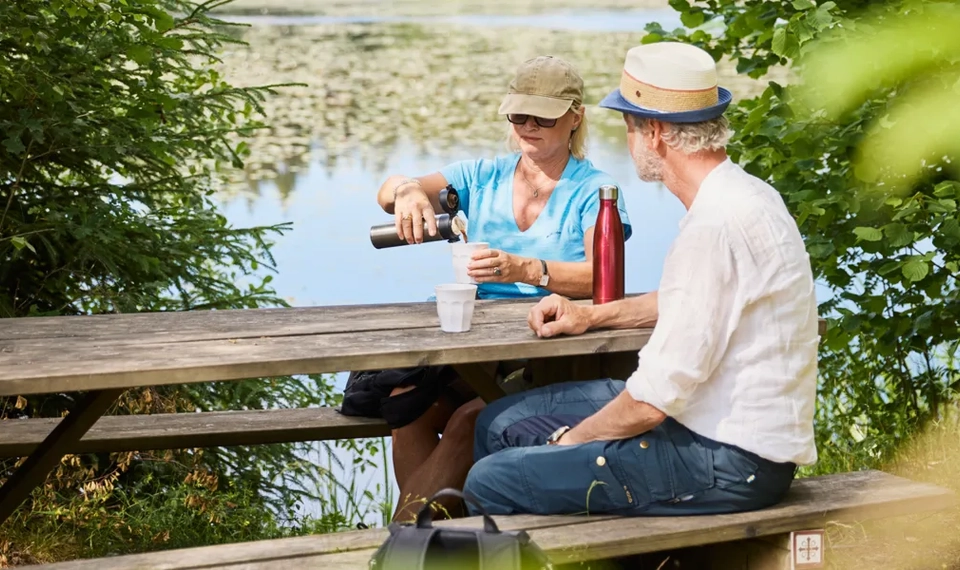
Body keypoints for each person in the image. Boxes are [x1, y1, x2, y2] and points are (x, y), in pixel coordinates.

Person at [462, 41, 820, 517]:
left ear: (653, 132)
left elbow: (652, 401)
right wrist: (590, 316)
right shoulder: (747, 196)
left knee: (491, 481)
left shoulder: (715, 227)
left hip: (725, 456)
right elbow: (686, 301)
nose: (627, 142)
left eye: (628, 127)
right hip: (707, 425)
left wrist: (571, 441)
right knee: (499, 421)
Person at [338, 55, 632, 523]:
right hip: (471, 342)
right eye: (519, 115)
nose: (528, 126)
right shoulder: (482, 176)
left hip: (546, 349)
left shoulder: (594, 188)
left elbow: (603, 278)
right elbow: (387, 189)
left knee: (468, 421)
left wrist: (525, 269)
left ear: (575, 117)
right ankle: (444, 537)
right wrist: (410, 191)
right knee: (408, 403)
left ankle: (403, 540)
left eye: (543, 116)